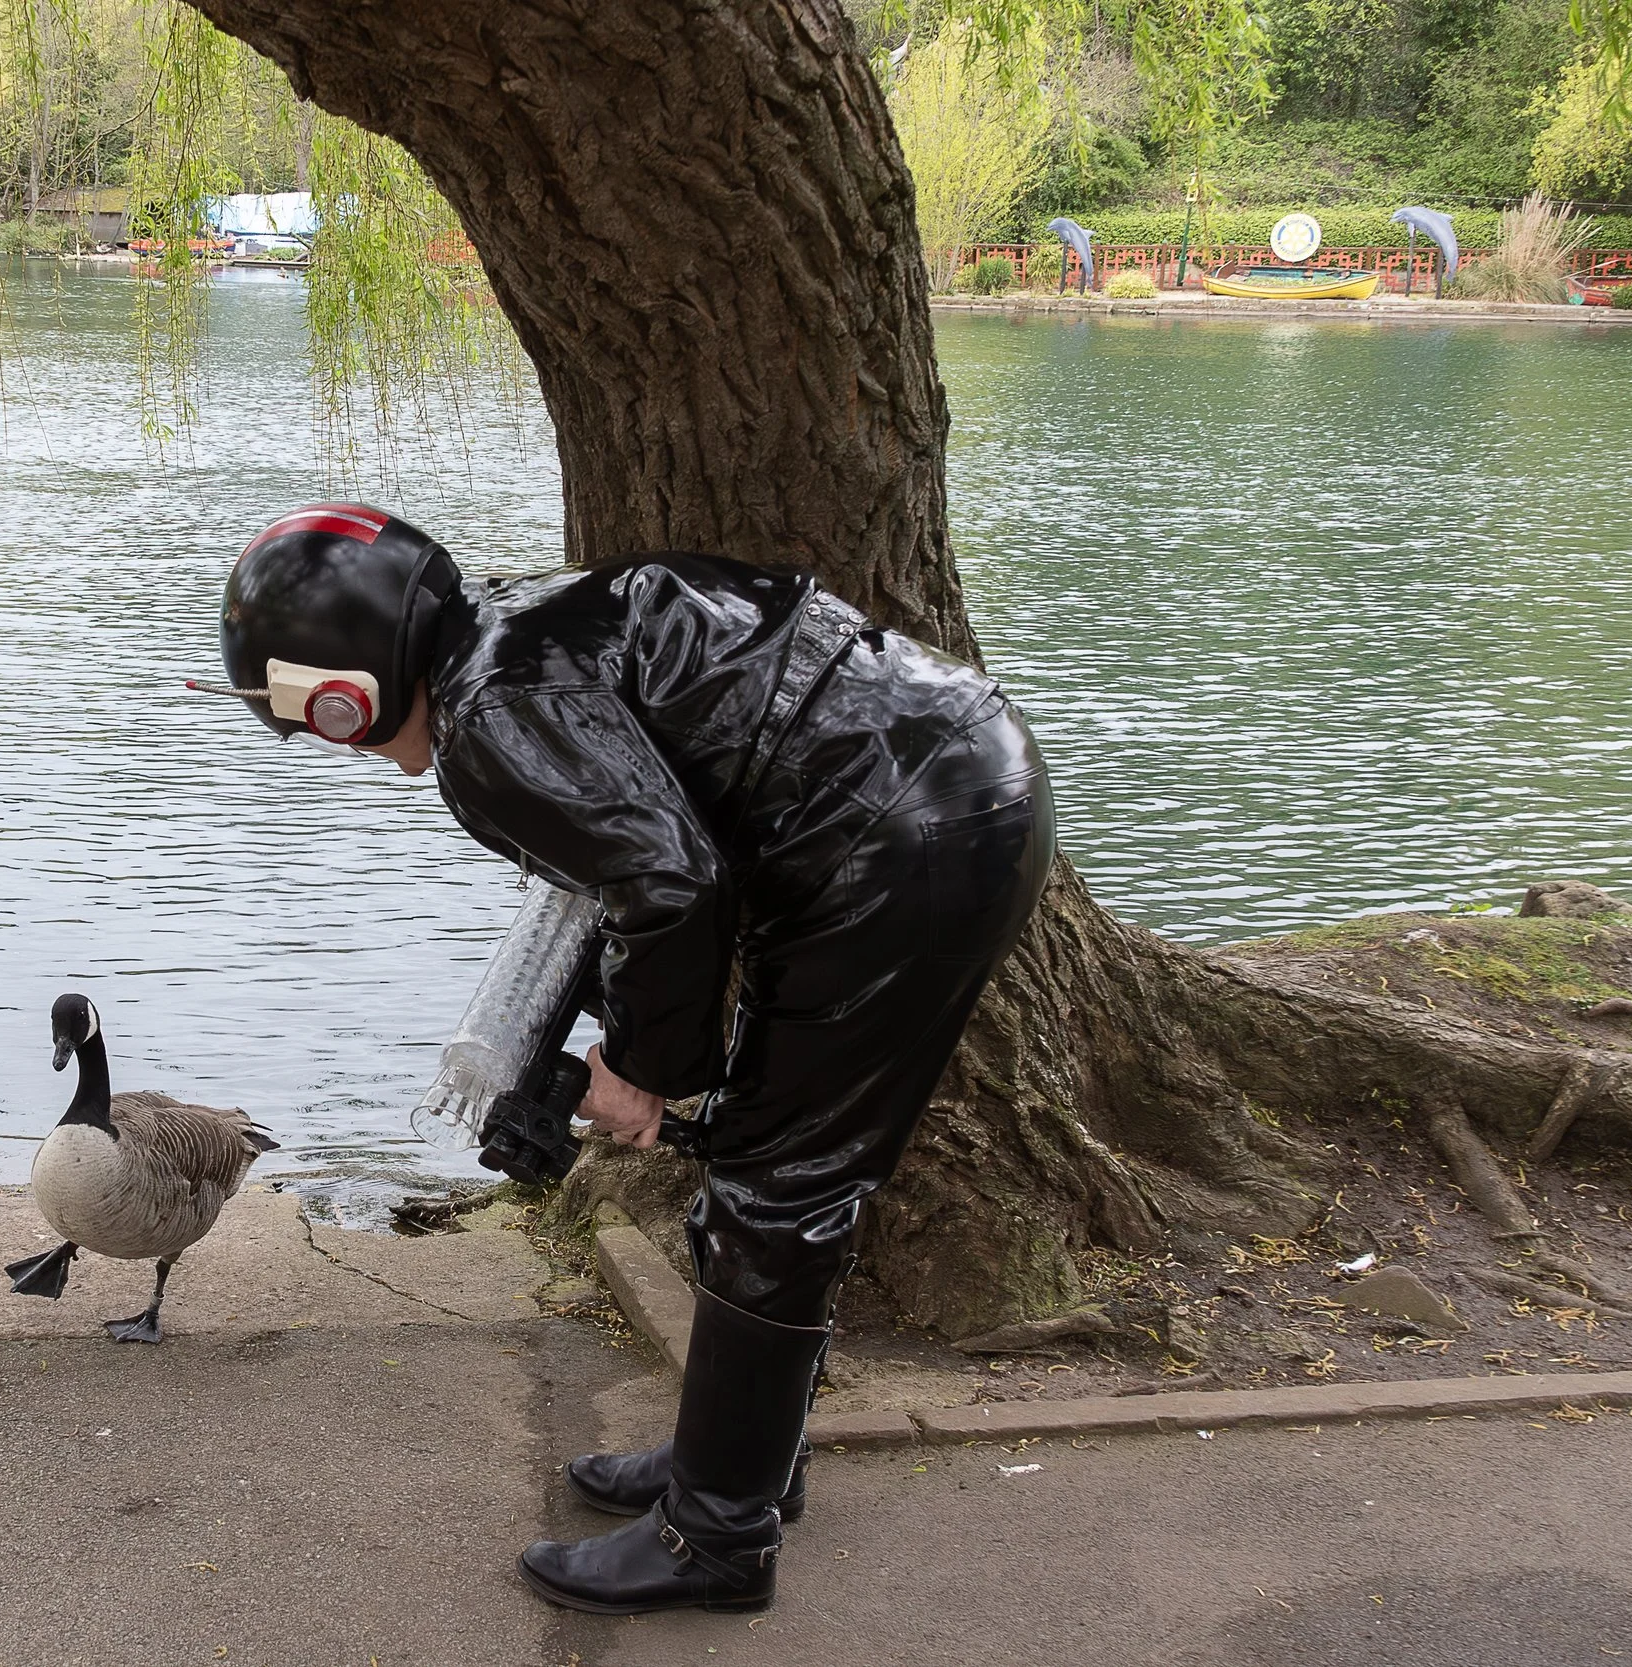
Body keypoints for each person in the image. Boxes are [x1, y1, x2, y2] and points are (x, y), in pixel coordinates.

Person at [204, 503, 1055, 1616]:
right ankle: (740, 1462)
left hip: (902, 833)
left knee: (779, 1189)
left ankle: (717, 1538)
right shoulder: (504, 631)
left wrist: (646, 1070)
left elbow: (668, 883)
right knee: (762, 1162)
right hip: (928, 786)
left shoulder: (489, 721)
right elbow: (636, 859)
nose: (336, 749)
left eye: (315, 723)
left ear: (345, 695)